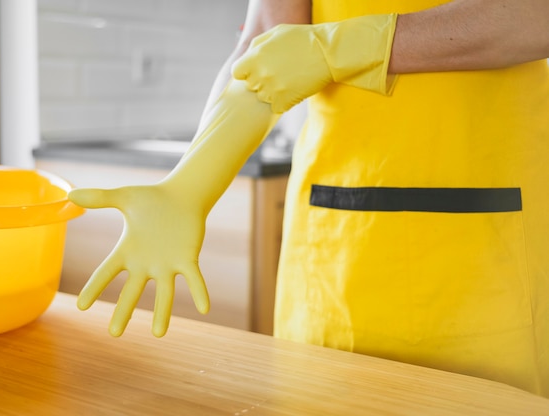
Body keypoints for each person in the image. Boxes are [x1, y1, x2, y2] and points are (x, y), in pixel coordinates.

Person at [70, 0, 549, 397]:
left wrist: (341, 49)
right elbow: (265, 42)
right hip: (336, 242)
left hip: (490, 243)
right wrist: (189, 183)